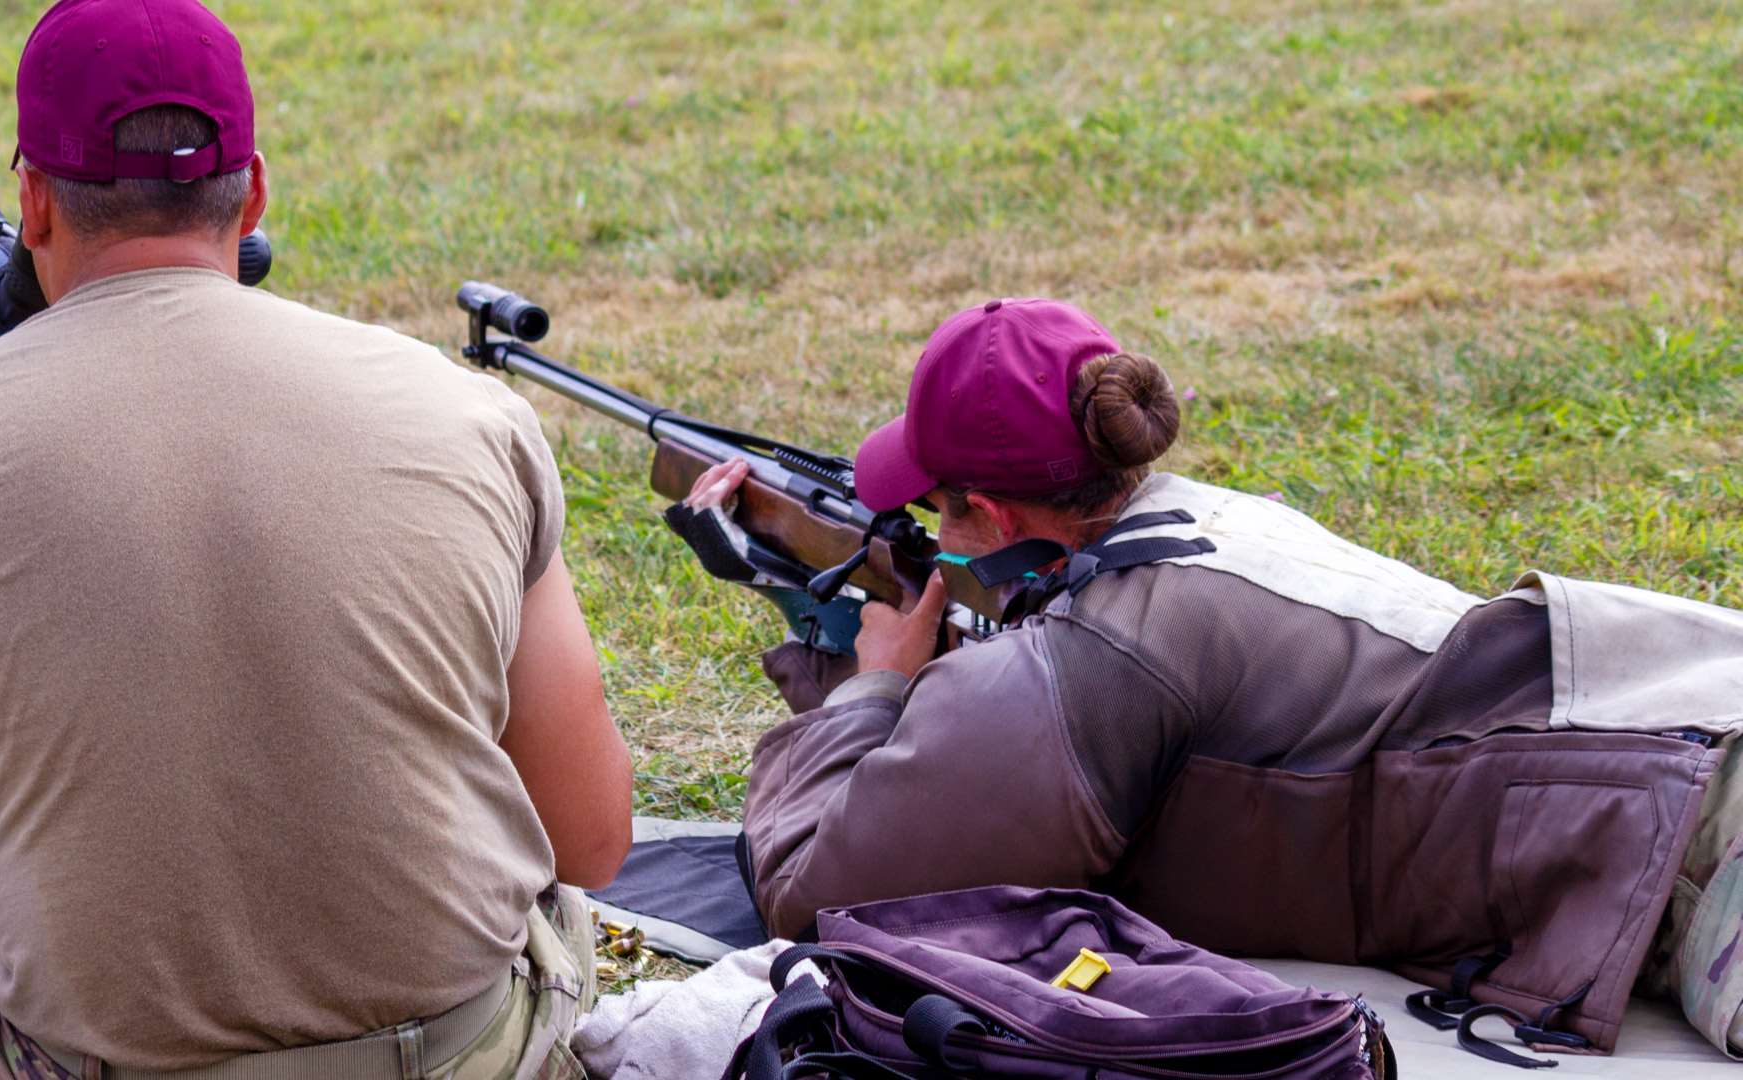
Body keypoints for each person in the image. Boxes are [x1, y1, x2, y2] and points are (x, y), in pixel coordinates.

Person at [0, 1, 632, 1077]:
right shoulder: (470, 416)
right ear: (251, 190)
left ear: (29, 201)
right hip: (467, 1057)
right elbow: (588, 838)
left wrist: (47, 829)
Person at [685, 296, 1743, 1059]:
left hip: (1688, 837)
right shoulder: (1213, 523)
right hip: (1681, 728)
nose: (929, 539)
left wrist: (869, 687)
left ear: (994, 520)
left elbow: (818, 895)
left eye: (936, 513)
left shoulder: (1099, 654)